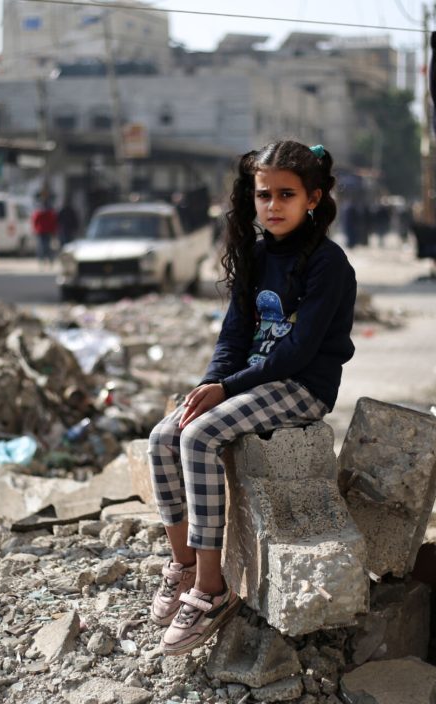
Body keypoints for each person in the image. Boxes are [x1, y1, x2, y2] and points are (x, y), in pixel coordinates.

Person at [146, 141, 356, 655]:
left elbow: (300, 350)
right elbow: (233, 338)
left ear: (314, 197)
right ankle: (184, 565)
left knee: (198, 437)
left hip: (302, 387)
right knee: (163, 435)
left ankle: (210, 590)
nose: (273, 206)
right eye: (264, 195)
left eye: (287, 194)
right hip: (253, 380)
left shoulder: (329, 264)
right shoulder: (258, 256)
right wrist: (209, 386)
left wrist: (228, 389)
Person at [31, 198, 59, 266]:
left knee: (41, 246)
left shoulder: (38, 212)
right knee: (47, 246)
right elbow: (53, 222)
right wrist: (54, 231)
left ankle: (41, 260)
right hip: (48, 231)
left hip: (40, 231)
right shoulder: (50, 213)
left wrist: (34, 229)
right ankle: (49, 260)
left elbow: (34, 221)